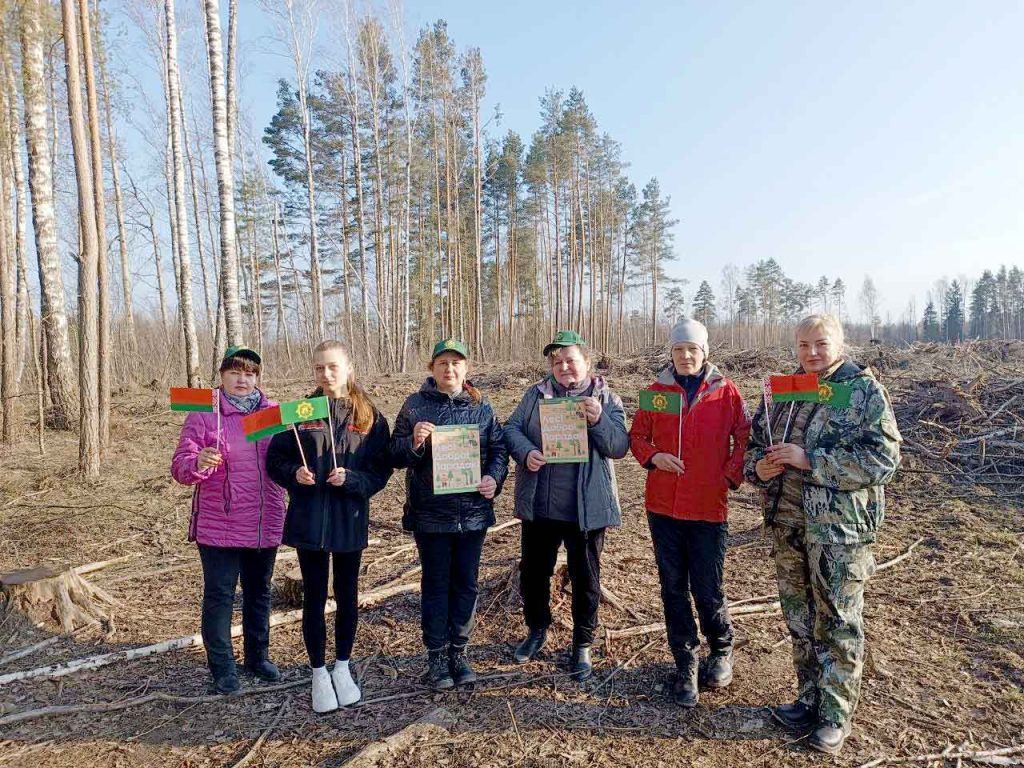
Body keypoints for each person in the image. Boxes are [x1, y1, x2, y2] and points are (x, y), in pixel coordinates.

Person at [744, 314, 901, 755]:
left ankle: (834, 714)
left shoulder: (861, 389)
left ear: (840, 343)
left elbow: (883, 459)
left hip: (838, 531)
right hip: (787, 523)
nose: (811, 353)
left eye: (821, 343)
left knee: (837, 621)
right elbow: (754, 444)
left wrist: (809, 459)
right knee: (799, 617)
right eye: (803, 345)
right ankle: (809, 698)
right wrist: (759, 467)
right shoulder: (783, 389)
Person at [629, 319, 751, 708]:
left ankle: (720, 649)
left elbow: (745, 435)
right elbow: (637, 436)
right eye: (679, 349)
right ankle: (685, 662)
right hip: (663, 507)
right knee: (672, 588)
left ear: (705, 354)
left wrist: (729, 476)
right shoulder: (656, 392)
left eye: (692, 350)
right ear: (671, 353)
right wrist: (653, 457)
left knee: (708, 587)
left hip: (707, 507)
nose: (685, 356)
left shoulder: (725, 392)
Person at [265, 340, 392, 714]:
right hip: (309, 522)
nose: (326, 374)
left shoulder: (369, 415)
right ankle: (318, 672)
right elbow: (276, 458)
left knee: (347, 595)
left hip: (349, 520)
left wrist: (354, 480)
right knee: (315, 598)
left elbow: (381, 469)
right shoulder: (301, 411)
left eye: (333, 366)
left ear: (348, 367)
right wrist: (294, 473)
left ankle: (342, 666)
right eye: (319, 368)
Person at [504, 330, 629, 681]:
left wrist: (598, 420)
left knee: (586, 578)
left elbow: (619, 446)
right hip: (541, 506)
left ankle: (582, 644)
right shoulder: (536, 395)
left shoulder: (606, 397)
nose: (563, 367)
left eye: (570, 360)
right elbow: (511, 429)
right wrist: (526, 452)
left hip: (586, 510)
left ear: (586, 363)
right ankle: (537, 630)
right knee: (533, 573)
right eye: (556, 362)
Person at [389, 339, 509, 690]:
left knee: (467, 584)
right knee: (436, 584)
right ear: (432, 368)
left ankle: (460, 650)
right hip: (431, 514)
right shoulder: (415, 405)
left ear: (466, 367)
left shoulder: (481, 405)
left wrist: (493, 478)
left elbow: (499, 450)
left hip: (472, 514)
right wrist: (413, 441)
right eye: (442, 362)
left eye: (456, 362)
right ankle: (437, 655)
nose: (449, 369)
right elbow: (393, 454)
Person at [171, 346, 287, 695]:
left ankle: (258, 656)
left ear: (258, 378)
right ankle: (222, 667)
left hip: (263, 521)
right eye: (235, 372)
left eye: (250, 373)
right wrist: (198, 461)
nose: (242, 379)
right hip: (219, 523)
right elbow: (180, 465)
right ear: (221, 376)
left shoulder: (271, 414)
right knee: (220, 595)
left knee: (259, 593)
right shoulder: (204, 414)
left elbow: (284, 460)